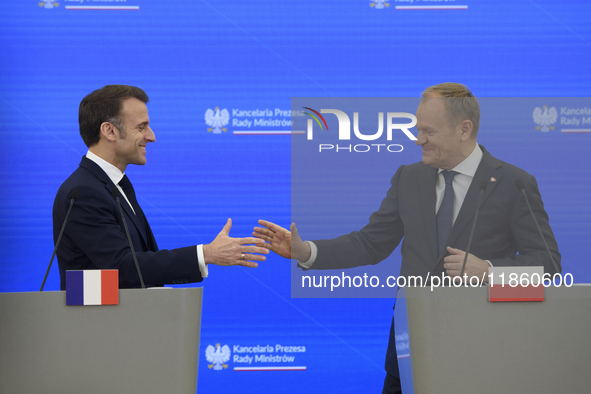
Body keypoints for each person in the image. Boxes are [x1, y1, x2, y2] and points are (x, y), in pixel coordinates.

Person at [253, 83, 561, 393]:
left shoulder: (513, 182)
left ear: (463, 129)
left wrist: (489, 272)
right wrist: (305, 250)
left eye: (429, 131)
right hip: (410, 347)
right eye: (417, 129)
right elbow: (370, 243)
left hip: (485, 350)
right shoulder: (409, 178)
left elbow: (548, 266)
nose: (418, 139)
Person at [53, 84, 268, 290]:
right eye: (141, 127)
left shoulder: (114, 186)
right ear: (109, 131)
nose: (151, 137)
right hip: (102, 325)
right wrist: (205, 254)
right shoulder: (83, 192)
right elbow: (122, 267)